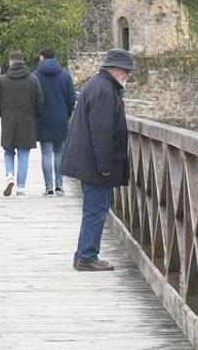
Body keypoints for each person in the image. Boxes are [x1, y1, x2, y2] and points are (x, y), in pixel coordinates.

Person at [62, 48, 134, 271]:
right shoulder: (104, 90)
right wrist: (104, 167)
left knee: (93, 208)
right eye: (126, 72)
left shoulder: (98, 85)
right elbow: (101, 132)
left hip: (87, 160)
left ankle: (83, 253)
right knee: (96, 209)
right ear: (117, 70)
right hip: (95, 163)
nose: (128, 76)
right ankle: (87, 256)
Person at [0, 51, 44, 197]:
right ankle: (21, 188)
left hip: (8, 121)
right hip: (27, 122)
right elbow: (40, 102)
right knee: (23, 155)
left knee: (8, 151)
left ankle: (10, 175)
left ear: (10, 62)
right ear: (23, 61)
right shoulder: (33, 79)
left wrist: (3, 113)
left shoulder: (3, 80)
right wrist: (34, 115)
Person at [34, 48, 75, 197]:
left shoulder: (36, 76)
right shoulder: (65, 76)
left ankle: (48, 187)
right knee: (59, 153)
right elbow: (71, 99)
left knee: (46, 153)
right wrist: (67, 115)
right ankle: (59, 186)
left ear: (42, 58)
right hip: (60, 119)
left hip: (43, 119)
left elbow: (33, 100)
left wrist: (36, 115)